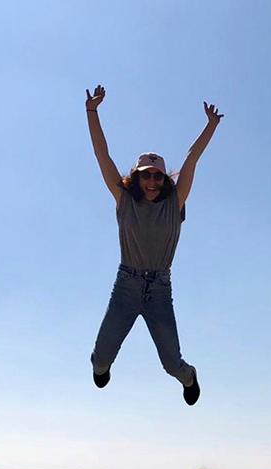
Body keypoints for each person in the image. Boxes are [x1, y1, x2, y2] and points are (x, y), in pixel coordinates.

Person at [84, 85, 223, 405]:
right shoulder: (124, 200)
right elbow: (101, 155)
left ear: (165, 180)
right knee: (100, 360)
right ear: (136, 177)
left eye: (157, 177)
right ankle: (102, 365)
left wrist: (210, 126)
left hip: (159, 289)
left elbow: (191, 159)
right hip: (126, 286)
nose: (151, 182)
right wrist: (92, 112)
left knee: (172, 363)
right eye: (146, 176)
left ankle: (190, 377)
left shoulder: (174, 203)